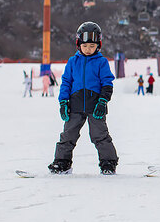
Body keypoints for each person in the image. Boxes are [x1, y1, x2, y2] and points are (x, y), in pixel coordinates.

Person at [50, 22, 118, 174]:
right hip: (75, 105)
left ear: (98, 46)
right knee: (68, 135)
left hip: (95, 107)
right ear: (78, 44)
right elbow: (66, 82)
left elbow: (107, 83)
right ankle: (62, 162)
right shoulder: (73, 62)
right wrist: (63, 102)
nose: (88, 49)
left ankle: (108, 163)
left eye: (92, 46)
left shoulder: (101, 62)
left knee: (100, 135)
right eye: (85, 46)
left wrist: (102, 101)